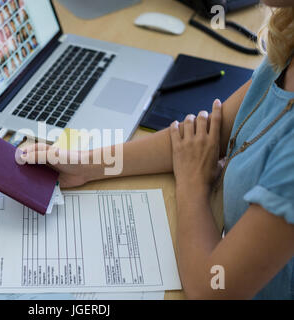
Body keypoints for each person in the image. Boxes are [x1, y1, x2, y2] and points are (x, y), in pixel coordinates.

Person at [21, 0, 294, 300]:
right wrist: (87, 165)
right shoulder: (287, 44)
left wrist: (192, 185)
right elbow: (199, 139)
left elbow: (210, 289)